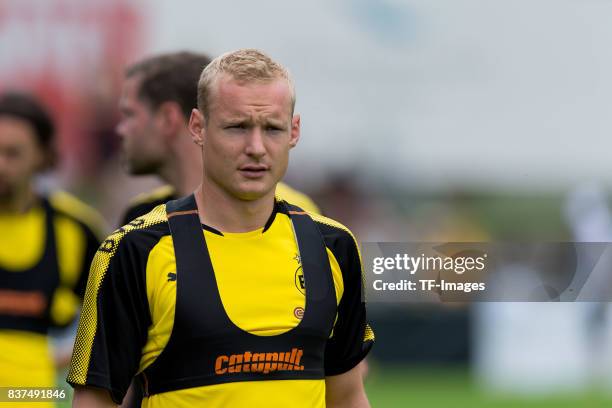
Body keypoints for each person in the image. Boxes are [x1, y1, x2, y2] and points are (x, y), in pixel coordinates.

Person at [68, 49, 373, 407]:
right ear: (197, 127)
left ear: (294, 132)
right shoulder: (134, 249)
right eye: (237, 127)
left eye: (272, 128)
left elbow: (348, 395)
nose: (256, 148)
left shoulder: (333, 246)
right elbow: (95, 399)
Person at [116, 51, 320, 227]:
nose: (120, 129)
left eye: (129, 114)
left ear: (168, 118)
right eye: (238, 126)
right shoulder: (141, 220)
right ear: (196, 127)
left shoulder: (301, 217)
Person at [0, 93, 104, 402]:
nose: (1, 165)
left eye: (13, 153)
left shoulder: (74, 227)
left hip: (33, 396)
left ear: (43, 156)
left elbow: (114, 322)